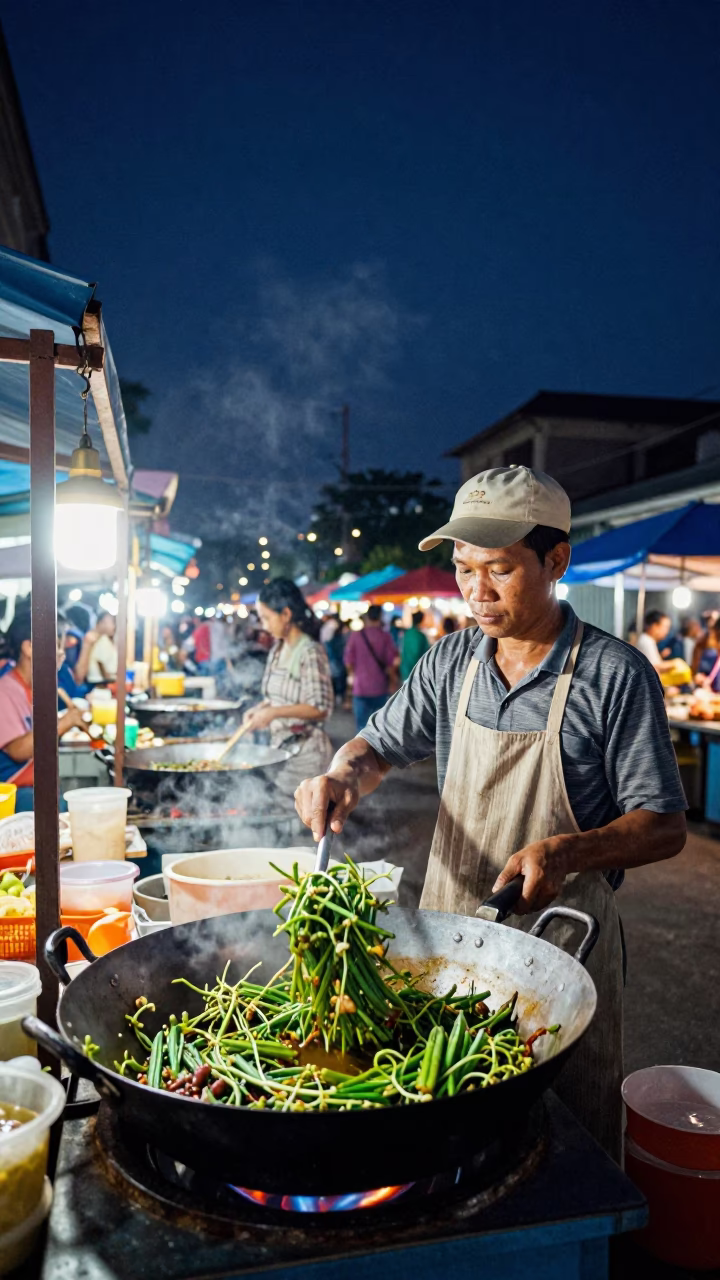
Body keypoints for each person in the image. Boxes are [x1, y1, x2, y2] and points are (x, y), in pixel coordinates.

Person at [295, 465, 687, 1163]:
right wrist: (340, 776)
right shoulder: (451, 662)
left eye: (500, 570)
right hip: (452, 941)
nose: (476, 592)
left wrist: (566, 852)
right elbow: (378, 745)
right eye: (463, 569)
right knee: (453, 1138)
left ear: (556, 560)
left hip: (566, 948)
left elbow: (662, 824)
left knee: (564, 1147)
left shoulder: (613, 675)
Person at [241, 579, 334, 798]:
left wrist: (272, 713)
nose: (263, 625)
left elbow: (320, 708)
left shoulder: (310, 652)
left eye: (266, 618)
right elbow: (274, 698)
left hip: (307, 756)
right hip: (281, 751)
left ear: (286, 614)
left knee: (299, 821)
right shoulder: (277, 649)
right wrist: (259, 710)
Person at [0, 609, 86, 810]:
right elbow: (19, 751)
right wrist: (65, 722)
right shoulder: (5, 690)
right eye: (56, 645)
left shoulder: (32, 686)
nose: (61, 653)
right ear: (29, 647)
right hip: (12, 793)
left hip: (33, 785)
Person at [343, 605, 399, 732]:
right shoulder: (385, 636)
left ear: (367, 617)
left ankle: (363, 751)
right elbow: (392, 663)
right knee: (379, 729)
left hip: (360, 687)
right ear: (380, 617)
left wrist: (352, 677)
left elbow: (348, 661)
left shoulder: (356, 636)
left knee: (362, 729)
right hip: (380, 687)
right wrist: (393, 682)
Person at [636, 611, 691, 688]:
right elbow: (654, 666)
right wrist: (675, 663)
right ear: (655, 626)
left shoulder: (649, 640)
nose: (667, 631)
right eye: (665, 627)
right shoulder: (646, 641)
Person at [86, 612, 118, 685]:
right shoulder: (102, 640)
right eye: (112, 623)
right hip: (100, 683)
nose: (114, 626)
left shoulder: (107, 640)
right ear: (100, 623)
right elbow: (101, 664)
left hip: (106, 681)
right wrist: (111, 681)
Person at [400, 610, 430, 680]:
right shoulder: (421, 636)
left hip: (405, 671)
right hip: (417, 672)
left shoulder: (406, 633)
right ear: (421, 620)